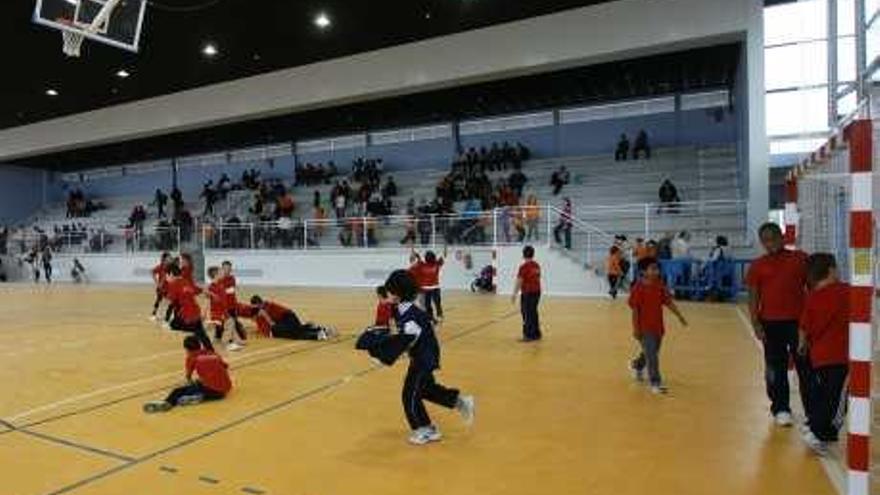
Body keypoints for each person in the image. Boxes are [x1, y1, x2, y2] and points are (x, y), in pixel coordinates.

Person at [366, 270, 475, 445]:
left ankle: (423, 429)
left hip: (424, 357)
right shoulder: (400, 307)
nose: (388, 294)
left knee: (409, 394)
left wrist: (383, 356)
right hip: (421, 353)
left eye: (391, 291)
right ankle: (460, 402)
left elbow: (405, 342)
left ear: (399, 294)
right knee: (425, 389)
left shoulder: (411, 317)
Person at [746, 222, 810, 427]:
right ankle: (781, 408)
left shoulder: (800, 259)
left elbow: (812, 290)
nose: (770, 243)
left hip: (798, 324)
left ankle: (812, 411)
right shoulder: (757, 266)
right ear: (762, 242)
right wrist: (755, 322)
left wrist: (811, 321)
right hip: (770, 324)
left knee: (805, 367)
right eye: (766, 240)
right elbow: (753, 296)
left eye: (773, 238)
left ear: (782, 236)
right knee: (775, 368)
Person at [797, 253, 848, 455]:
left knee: (826, 395)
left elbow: (803, 326)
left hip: (818, 357)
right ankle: (818, 433)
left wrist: (802, 346)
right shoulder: (845, 291)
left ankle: (814, 427)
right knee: (838, 401)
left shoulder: (812, 298)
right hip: (840, 357)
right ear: (831, 270)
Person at [628, 257, 687, 394]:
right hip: (644, 328)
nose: (656, 271)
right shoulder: (638, 288)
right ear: (643, 271)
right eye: (652, 269)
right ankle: (655, 383)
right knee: (652, 356)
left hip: (658, 327)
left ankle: (636, 365)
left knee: (651, 353)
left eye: (657, 268)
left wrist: (679, 316)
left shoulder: (659, 285)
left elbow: (668, 302)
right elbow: (635, 311)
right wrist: (636, 329)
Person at [143, 335, 232, 413]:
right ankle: (201, 397)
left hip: (210, 389)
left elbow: (188, 377)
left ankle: (168, 403)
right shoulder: (212, 353)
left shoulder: (191, 357)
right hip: (225, 389)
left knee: (178, 391)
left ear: (187, 349)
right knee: (203, 383)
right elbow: (225, 366)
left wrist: (191, 384)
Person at [165, 263, 214, 351]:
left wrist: (166, 319)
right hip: (195, 313)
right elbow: (198, 290)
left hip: (187, 317)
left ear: (171, 274)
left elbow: (170, 302)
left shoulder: (173, 284)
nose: (166, 277)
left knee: (173, 325)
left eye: (167, 275)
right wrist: (207, 292)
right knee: (202, 335)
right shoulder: (186, 281)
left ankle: (198, 332)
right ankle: (211, 352)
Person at [250, 295, 336, 340]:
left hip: (287, 317)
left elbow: (271, 322)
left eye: (255, 306)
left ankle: (317, 335)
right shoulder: (265, 306)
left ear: (259, 303)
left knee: (295, 335)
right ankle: (321, 330)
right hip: (288, 317)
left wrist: (266, 319)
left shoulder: (265, 308)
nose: (255, 308)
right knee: (298, 330)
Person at [206, 266, 244, 352]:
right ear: (216, 275)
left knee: (230, 323)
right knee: (229, 324)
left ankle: (237, 340)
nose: (223, 273)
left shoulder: (220, 284)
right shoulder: (212, 287)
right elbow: (209, 300)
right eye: (220, 272)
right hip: (217, 312)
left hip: (223, 310)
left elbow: (225, 294)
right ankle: (226, 343)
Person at [511, 245, 542, 342]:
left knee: (526, 314)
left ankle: (528, 335)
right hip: (537, 292)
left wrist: (514, 294)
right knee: (534, 312)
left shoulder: (523, 267)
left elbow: (519, 281)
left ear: (523, 255)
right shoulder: (536, 265)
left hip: (528, 293)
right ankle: (536, 333)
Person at [409, 248, 447, 323]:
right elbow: (417, 257)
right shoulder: (422, 264)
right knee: (428, 305)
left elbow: (444, 256)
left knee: (437, 303)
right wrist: (414, 252)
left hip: (435, 288)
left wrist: (445, 247)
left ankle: (439, 315)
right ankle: (431, 318)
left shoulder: (436, 263)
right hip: (425, 289)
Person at [219, 261, 247, 345]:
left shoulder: (232, 278)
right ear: (222, 269)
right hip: (224, 306)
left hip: (232, 305)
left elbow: (231, 290)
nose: (227, 270)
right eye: (225, 268)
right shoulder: (219, 279)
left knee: (234, 324)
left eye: (229, 268)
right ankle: (228, 339)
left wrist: (225, 291)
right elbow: (225, 291)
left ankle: (234, 338)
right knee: (227, 323)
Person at [150, 252, 172, 322]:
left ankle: (166, 315)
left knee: (170, 302)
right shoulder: (160, 267)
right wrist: (157, 282)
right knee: (158, 301)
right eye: (169, 257)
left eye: (170, 257)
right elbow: (152, 272)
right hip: (161, 288)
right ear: (165, 259)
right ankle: (154, 314)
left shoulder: (171, 267)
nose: (170, 259)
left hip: (169, 288)